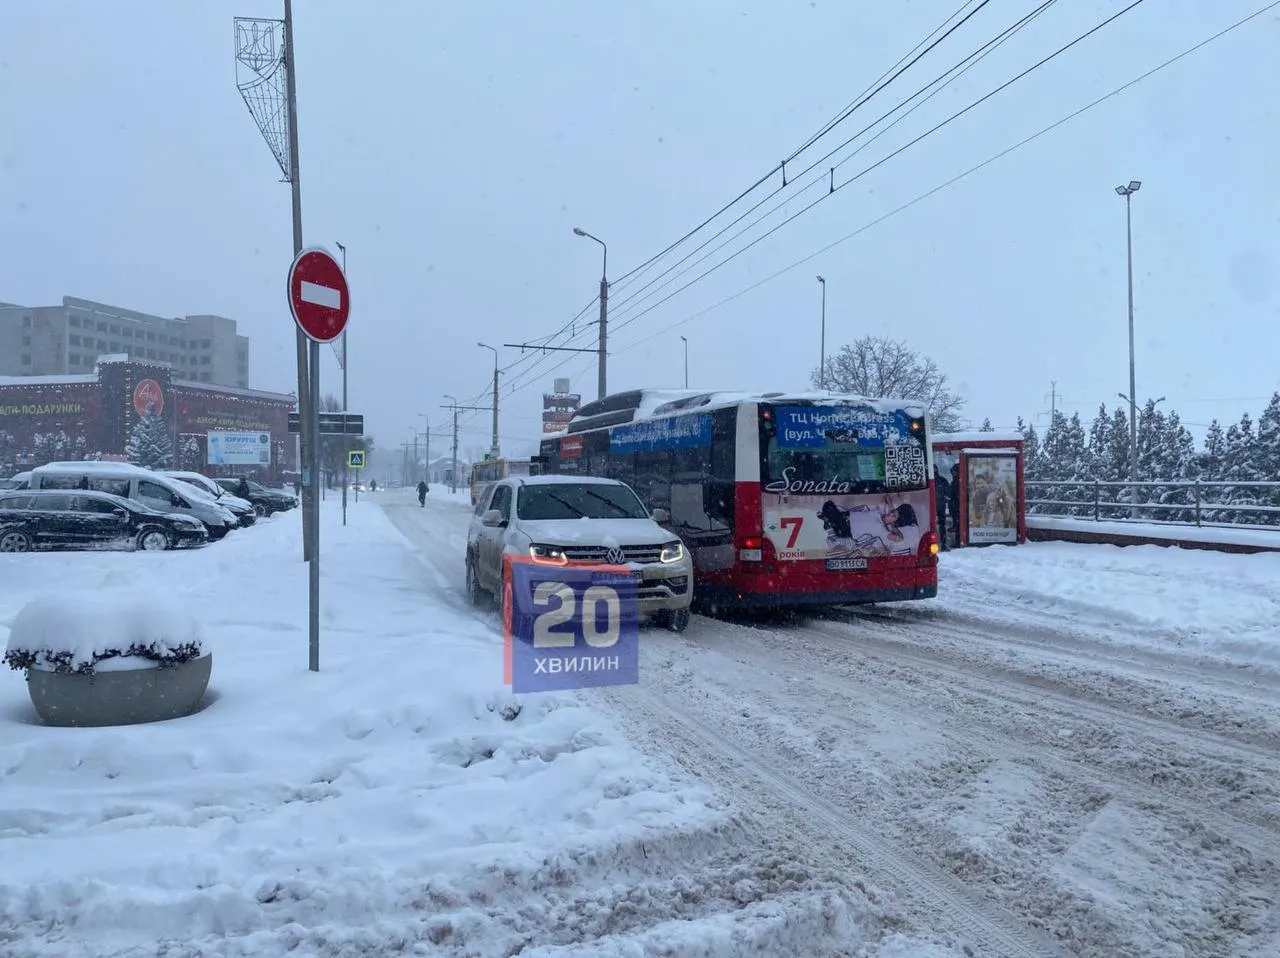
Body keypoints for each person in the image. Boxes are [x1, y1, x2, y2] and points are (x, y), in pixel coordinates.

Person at [933, 464, 950, 551]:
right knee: (940, 526)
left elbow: (948, 494)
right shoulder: (942, 480)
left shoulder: (942, 481)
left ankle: (942, 544)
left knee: (939, 526)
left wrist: (944, 500)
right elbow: (948, 495)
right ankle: (942, 544)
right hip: (938, 507)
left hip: (937, 507)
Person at [949, 463, 962, 548]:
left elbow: (954, 494)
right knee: (957, 524)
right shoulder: (956, 481)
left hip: (957, 506)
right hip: (955, 506)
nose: (953, 473)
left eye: (954, 472)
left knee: (958, 525)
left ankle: (958, 542)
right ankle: (958, 541)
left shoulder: (957, 482)